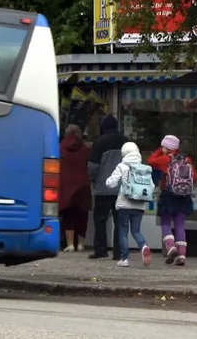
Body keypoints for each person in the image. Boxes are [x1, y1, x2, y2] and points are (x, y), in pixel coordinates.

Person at [148, 135, 195, 266]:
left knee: (165, 223)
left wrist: (159, 151)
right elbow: (194, 177)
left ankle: (171, 247)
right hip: (184, 196)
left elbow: (151, 161)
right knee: (180, 225)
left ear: (167, 147)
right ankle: (181, 256)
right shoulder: (187, 159)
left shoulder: (165, 159)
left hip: (168, 195)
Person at [87, 114, 129, 260]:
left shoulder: (99, 142)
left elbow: (93, 167)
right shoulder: (125, 141)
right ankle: (119, 252)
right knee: (120, 222)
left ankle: (100, 250)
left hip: (103, 188)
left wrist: (92, 180)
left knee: (100, 220)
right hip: (122, 189)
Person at [104, 141, 152, 267]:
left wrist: (107, 181)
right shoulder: (143, 168)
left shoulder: (122, 166)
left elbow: (111, 183)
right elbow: (151, 186)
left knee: (123, 231)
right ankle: (143, 246)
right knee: (136, 230)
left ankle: (124, 259)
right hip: (139, 205)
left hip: (124, 205)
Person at [58, 124, 92, 252]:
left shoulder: (60, 148)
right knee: (82, 214)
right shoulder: (86, 149)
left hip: (66, 185)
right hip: (83, 185)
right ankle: (81, 244)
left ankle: (70, 244)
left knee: (68, 214)